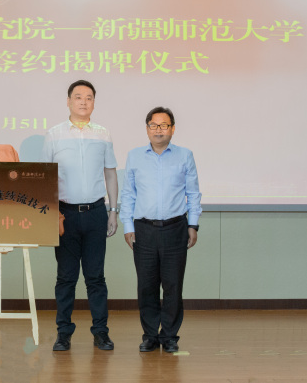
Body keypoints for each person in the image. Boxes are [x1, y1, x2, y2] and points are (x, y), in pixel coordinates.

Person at [40, 80, 119, 352]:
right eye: (78, 97)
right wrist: (50, 214)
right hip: (65, 215)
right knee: (66, 278)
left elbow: (110, 174)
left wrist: (113, 211)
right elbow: (45, 178)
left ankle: (101, 332)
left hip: (96, 213)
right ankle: (63, 333)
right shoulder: (54, 134)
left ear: (94, 102)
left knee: (96, 277)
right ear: (68, 101)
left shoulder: (103, 134)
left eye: (88, 97)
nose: (83, 101)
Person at [120, 106, 202, 353]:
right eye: (153, 125)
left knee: (173, 285)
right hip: (143, 229)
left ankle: (169, 336)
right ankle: (149, 335)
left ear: (172, 129)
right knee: (146, 285)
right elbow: (128, 194)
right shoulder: (135, 156)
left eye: (164, 125)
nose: (159, 130)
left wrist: (193, 224)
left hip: (176, 228)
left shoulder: (184, 156)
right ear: (147, 128)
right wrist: (127, 226)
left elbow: (193, 193)